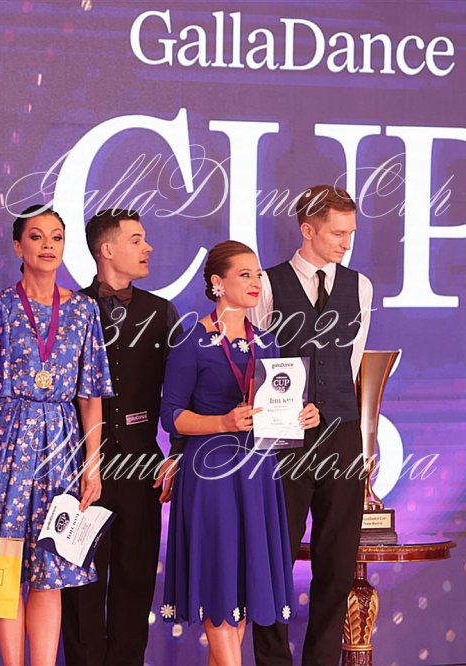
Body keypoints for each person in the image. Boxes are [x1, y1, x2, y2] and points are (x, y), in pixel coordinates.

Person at [0, 204, 113, 666]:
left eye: (56, 237)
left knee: (51, 571)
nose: (48, 246)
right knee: (4, 566)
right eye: (36, 236)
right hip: (6, 442)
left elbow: (91, 396)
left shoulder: (84, 310)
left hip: (62, 450)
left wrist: (92, 467)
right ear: (17, 246)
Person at [160, 241, 320, 666]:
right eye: (244, 274)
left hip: (258, 473)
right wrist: (223, 422)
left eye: (258, 275)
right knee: (219, 581)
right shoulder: (192, 341)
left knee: (240, 590)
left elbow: (274, 408)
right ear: (218, 282)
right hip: (210, 473)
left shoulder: (267, 342)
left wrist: (302, 414)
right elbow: (171, 416)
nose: (255, 283)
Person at [250, 185, 373, 666]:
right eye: (338, 233)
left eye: (351, 232)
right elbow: (256, 360)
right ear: (308, 230)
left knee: (337, 560)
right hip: (284, 437)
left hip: (341, 435)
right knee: (275, 556)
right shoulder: (268, 284)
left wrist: (329, 405)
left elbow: (351, 361)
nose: (347, 242)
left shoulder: (360, 287)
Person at [61, 208, 183, 666]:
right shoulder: (70, 309)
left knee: (135, 584)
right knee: (80, 587)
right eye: (136, 240)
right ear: (106, 249)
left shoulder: (161, 312)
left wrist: (178, 453)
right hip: (78, 471)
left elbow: (181, 390)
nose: (147, 247)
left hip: (141, 469)